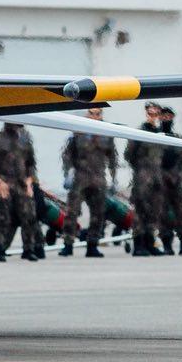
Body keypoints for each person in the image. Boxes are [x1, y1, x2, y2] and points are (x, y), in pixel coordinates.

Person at [59, 107, 118, 258]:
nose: (94, 116)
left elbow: (112, 158)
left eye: (98, 113)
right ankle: (68, 244)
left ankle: (92, 245)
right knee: (72, 212)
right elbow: (67, 155)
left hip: (98, 179)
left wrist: (114, 179)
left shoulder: (107, 133)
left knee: (98, 214)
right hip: (80, 178)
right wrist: (67, 174)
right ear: (87, 114)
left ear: (101, 114)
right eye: (91, 113)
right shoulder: (78, 132)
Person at [0, 122, 41, 261]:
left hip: (21, 184)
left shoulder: (25, 138)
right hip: (4, 183)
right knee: (2, 217)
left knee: (29, 216)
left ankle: (28, 249)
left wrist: (30, 181)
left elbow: (31, 163)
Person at [123, 107, 165, 257]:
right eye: (150, 114)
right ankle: (138, 245)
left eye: (156, 114)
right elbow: (129, 155)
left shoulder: (161, 134)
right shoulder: (138, 133)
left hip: (156, 178)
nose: (153, 117)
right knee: (140, 212)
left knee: (154, 212)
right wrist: (141, 168)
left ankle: (150, 243)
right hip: (142, 178)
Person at [157, 106, 182, 256]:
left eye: (169, 116)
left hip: (177, 181)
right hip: (161, 182)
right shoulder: (154, 138)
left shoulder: (178, 139)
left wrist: (178, 174)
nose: (166, 119)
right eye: (164, 116)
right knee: (163, 214)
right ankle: (167, 245)